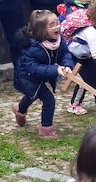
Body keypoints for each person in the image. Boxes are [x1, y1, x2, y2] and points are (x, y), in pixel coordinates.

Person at [14, 10, 73, 139]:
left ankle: (19, 109)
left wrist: (68, 65)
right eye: (52, 25)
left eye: (57, 23)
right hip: (27, 77)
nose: (57, 26)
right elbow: (33, 68)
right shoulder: (32, 48)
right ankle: (46, 129)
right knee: (48, 100)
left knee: (31, 97)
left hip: (41, 75)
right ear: (41, 30)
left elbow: (65, 54)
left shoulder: (57, 40)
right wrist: (54, 69)